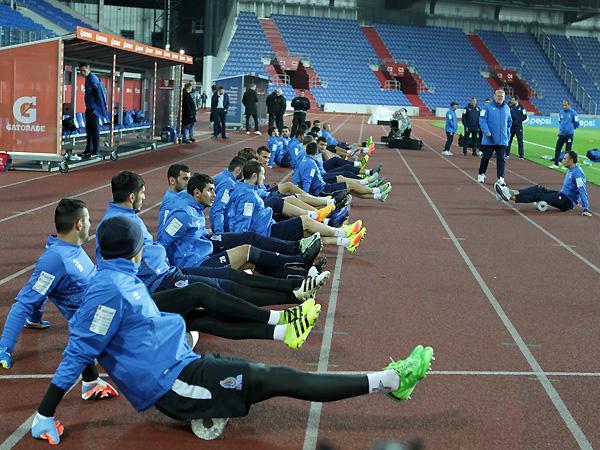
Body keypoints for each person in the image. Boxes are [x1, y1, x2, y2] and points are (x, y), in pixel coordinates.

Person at [29, 214, 434, 444]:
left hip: (182, 365)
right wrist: (45, 413)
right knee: (278, 378)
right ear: (135, 250)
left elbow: (93, 335)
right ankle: (390, 380)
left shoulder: (120, 278)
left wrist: (92, 380)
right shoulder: (110, 290)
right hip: (176, 385)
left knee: (222, 327)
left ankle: (282, 327)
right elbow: (81, 345)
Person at [0, 199, 119, 400]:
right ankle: (90, 383)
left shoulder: (71, 248)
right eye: (88, 220)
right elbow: (24, 302)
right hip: (96, 320)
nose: (90, 224)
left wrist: (35, 318)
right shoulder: (56, 259)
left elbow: (43, 291)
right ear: (79, 224)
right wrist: (4, 347)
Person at [158, 174, 321, 279]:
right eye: (210, 190)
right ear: (196, 192)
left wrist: (205, 234)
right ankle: (299, 257)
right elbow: (163, 241)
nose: (214, 195)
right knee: (247, 253)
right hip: (194, 265)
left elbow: (189, 234)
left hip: (204, 246)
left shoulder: (195, 208)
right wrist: (168, 274)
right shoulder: (183, 214)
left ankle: (302, 273)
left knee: (250, 244)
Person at [227, 160, 366, 252]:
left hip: (268, 227)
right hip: (267, 233)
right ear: (253, 176)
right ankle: (342, 232)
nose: (264, 178)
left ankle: (346, 241)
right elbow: (242, 226)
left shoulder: (244, 188)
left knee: (307, 234)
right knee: (304, 222)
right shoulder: (248, 197)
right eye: (262, 175)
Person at [495, 150, 591, 216]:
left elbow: (582, 190)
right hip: (562, 195)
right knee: (538, 188)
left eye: (565, 159)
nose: (562, 160)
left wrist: (585, 208)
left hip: (567, 202)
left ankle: (508, 197)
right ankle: (510, 192)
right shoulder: (571, 170)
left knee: (539, 196)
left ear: (571, 161)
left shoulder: (578, 173)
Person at [294, 142, 392, 204]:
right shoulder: (311, 164)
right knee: (350, 185)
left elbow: (299, 177)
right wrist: (306, 199)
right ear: (315, 153)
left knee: (349, 186)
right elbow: (307, 182)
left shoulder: (304, 159)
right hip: (323, 190)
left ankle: (378, 195)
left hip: (322, 186)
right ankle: (377, 190)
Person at [477, 89, 511, 185]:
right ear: (494, 96)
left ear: (504, 98)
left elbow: (509, 122)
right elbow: (482, 120)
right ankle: (481, 174)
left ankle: (501, 177)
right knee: (486, 157)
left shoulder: (507, 108)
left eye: (502, 96)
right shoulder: (486, 107)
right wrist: (486, 131)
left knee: (501, 159)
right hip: (490, 139)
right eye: (498, 96)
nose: (500, 98)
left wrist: (507, 135)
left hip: (502, 139)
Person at [78, 63, 109, 159]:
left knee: (94, 131)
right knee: (89, 131)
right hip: (89, 109)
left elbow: (100, 94)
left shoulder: (92, 79)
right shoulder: (88, 78)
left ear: (88, 69)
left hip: (93, 110)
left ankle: (95, 151)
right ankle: (89, 149)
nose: (82, 73)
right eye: (81, 71)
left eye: (84, 70)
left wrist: (97, 108)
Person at [551, 100, 580, 168]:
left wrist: (571, 128)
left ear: (569, 105)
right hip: (561, 134)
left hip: (569, 135)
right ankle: (556, 164)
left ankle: (566, 165)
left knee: (568, 151)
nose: (564, 106)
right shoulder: (561, 112)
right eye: (563, 105)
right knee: (558, 148)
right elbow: (560, 121)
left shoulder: (573, 113)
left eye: (566, 105)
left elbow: (577, 123)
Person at [506, 96, 527, 160]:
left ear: (516, 100)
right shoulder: (510, 107)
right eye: (511, 100)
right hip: (511, 126)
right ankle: (507, 154)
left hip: (518, 126)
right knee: (509, 140)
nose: (511, 101)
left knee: (520, 141)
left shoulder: (521, 107)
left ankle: (521, 156)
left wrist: (519, 121)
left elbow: (525, 116)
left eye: (513, 100)